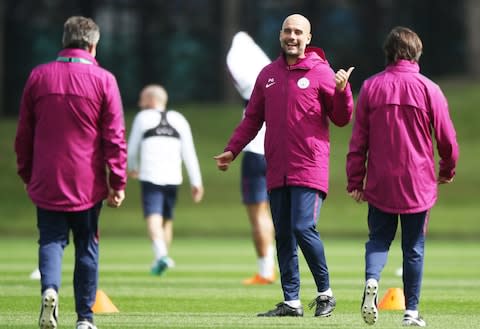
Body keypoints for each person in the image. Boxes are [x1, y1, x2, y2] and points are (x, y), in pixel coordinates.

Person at [215, 14, 354, 317]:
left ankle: (325, 293)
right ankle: (291, 301)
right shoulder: (268, 75)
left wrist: (343, 92)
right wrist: (231, 150)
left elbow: (342, 118)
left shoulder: (322, 73)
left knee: (303, 227)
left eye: (298, 32)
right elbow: (252, 119)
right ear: (280, 35)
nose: (292, 36)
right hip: (277, 167)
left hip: (309, 165)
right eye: (287, 31)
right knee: (283, 234)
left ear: (308, 37)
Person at [14, 16, 126, 329]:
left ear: (64, 41)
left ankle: (50, 288)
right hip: (87, 181)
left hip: (47, 176)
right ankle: (84, 319)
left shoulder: (39, 76)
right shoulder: (104, 80)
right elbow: (114, 136)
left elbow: (24, 133)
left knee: (50, 240)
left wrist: (27, 172)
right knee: (87, 246)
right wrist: (117, 181)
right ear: (93, 44)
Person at [346, 26, 459, 327]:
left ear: (388, 53)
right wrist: (447, 169)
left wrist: (355, 180)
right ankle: (411, 312)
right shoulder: (429, 89)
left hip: (381, 180)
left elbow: (359, 141)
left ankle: (372, 279)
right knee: (414, 248)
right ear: (416, 53)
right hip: (417, 181)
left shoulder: (370, 87)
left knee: (378, 240)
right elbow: (447, 139)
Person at [127, 85, 204, 276]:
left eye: (142, 99)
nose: (139, 103)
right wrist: (196, 181)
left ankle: (161, 255)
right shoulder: (179, 119)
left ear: (151, 101)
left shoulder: (142, 118)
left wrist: (132, 167)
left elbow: (132, 148)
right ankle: (161, 258)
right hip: (173, 178)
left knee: (153, 216)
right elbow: (189, 152)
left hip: (151, 176)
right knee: (167, 220)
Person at [226, 31, 276, 285]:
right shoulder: (275, 82)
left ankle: (266, 270)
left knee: (258, 215)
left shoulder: (250, 88)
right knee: (279, 213)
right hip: (278, 151)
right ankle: (281, 266)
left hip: (256, 152)